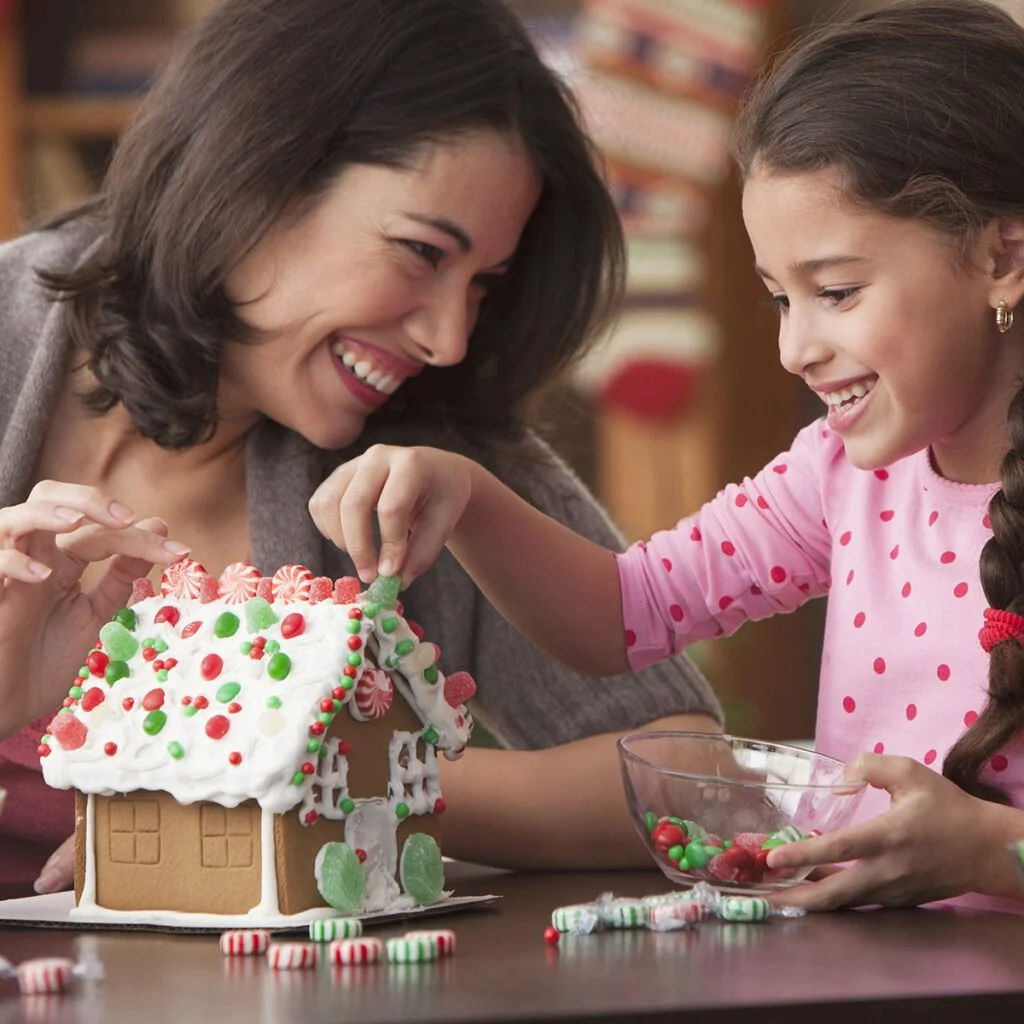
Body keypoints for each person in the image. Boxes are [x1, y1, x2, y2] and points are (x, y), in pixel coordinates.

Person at [0, 0, 724, 899]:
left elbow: (692, 780)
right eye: (421, 252)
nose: (449, 337)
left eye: (484, 284)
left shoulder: (426, 468)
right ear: (252, 177)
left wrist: (335, 777)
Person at [313, 0, 1024, 913]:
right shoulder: (838, 477)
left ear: (1004, 255)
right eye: (779, 299)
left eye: (837, 292)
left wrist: (983, 851)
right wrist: (469, 497)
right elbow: (622, 617)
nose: (794, 348)